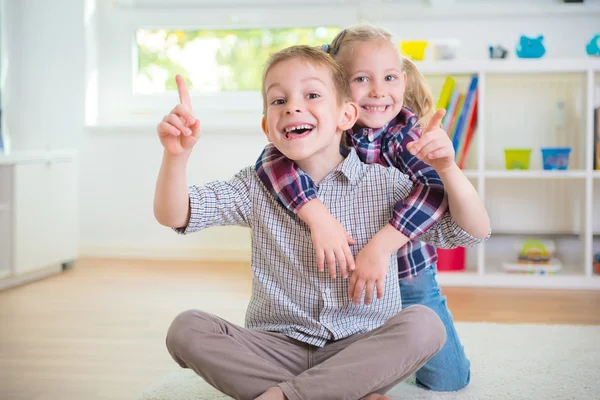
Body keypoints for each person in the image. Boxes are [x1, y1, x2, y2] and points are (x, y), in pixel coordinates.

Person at [154, 45, 482, 400]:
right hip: (277, 347)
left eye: (311, 94)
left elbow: (473, 230)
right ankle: (341, 392)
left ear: (346, 115)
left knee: (425, 324)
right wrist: (177, 157)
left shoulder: (387, 184)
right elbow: (176, 214)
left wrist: (447, 169)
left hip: (358, 349)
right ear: (267, 126)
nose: (293, 106)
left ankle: (284, 395)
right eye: (278, 101)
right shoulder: (254, 186)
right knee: (186, 329)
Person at [254, 25, 491, 391]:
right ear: (337, 85)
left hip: (409, 276)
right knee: (336, 356)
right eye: (362, 78)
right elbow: (272, 160)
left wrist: (381, 247)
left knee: (449, 379)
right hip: (346, 283)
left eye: (390, 77)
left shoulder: (406, 134)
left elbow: (435, 190)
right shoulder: (325, 125)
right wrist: (315, 213)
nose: (379, 91)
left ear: (404, 80)